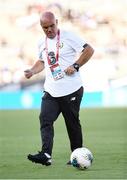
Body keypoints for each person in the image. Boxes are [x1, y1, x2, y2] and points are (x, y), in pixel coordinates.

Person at [24, 11, 94, 166]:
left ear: (56, 22)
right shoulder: (41, 42)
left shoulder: (69, 36)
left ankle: (76, 154)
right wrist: (32, 71)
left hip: (71, 89)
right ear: (41, 27)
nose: (49, 30)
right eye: (45, 27)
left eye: (51, 26)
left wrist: (75, 65)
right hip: (51, 90)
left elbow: (89, 50)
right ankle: (46, 154)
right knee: (45, 119)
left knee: (72, 123)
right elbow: (42, 61)